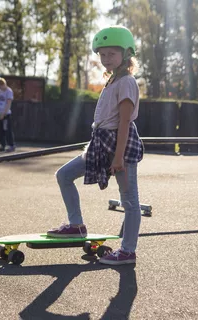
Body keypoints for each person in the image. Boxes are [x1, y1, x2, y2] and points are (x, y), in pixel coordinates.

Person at [47, 26, 144, 266]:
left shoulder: (126, 82)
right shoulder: (113, 80)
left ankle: (128, 251)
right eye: (102, 54)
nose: (105, 58)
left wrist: (118, 158)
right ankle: (77, 225)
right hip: (100, 143)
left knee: (129, 200)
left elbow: (123, 123)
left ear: (126, 54)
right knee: (64, 175)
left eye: (111, 54)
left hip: (118, 145)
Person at [0, 77, 15, 152]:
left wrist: (4, 113)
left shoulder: (9, 91)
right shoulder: (0, 91)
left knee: (7, 130)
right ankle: (3, 145)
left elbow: (8, 104)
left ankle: (11, 145)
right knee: (0, 130)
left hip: (6, 115)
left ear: (3, 84)